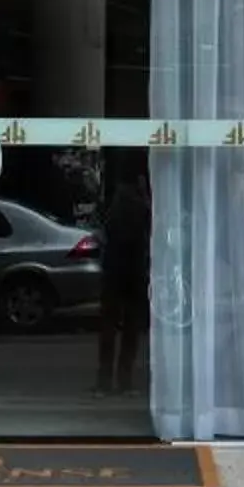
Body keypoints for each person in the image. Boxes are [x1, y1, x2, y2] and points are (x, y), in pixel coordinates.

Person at [94, 158, 150, 399]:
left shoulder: (112, 201)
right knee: (130, 327)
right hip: (132, 270)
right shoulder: (139, 203)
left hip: (114, 270)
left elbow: (103, 232)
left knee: (109, 327)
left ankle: (105, 381)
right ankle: (123, 380)